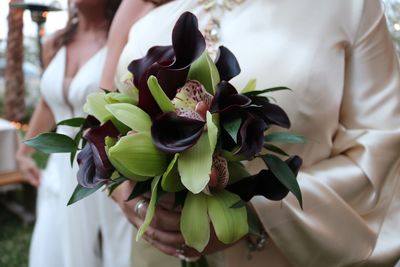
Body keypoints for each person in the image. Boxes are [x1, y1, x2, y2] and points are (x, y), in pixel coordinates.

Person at [106, 0, 400, 266]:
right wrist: (124, 193)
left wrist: (256, 213)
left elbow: (382, 151)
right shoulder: (152, 20)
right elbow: (107, 132)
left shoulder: (349, 8)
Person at [15, 0, 142, 266]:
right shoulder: (54, 42)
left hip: (101, 169)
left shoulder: (123, 41)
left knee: (109, 251)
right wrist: (24, 151)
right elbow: (48, 102)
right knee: (52, 247)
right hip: (58, 170)